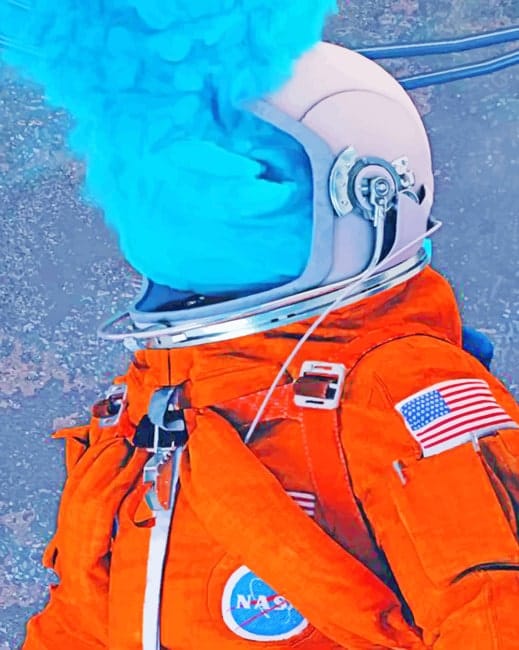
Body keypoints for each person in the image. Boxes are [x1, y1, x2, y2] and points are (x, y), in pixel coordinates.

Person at [2, 2, 518, 649]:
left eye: (239, 172)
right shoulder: (147, 406)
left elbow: (489, 608)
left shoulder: (395, 387)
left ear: (367, 194)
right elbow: (81, 617)